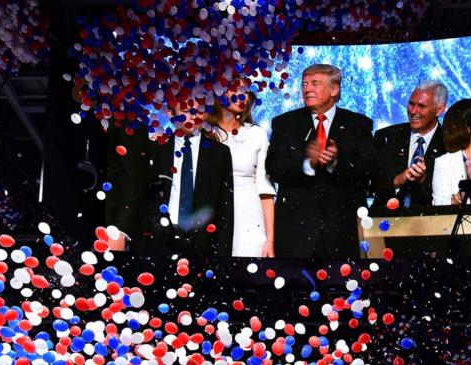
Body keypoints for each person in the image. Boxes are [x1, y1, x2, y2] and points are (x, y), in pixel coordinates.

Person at [265, 63, 377, 259]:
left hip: (343, 230)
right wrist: (307, 162)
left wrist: (335, 162)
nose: (307, 89)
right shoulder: (284, 123)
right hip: (296, 232)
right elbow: (274, 168)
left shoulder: (359, 124)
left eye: (315, 83)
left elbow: (369, 170)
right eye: (304, 84)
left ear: (334, 89)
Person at [110, 101, 235, 257]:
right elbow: (137, 192)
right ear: (171, 113)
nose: (192, 115)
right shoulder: (156, 148)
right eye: (185, 108)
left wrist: (223, 255)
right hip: (156, 239)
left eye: (199, 110)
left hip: (201, 243)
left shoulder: (220, 153)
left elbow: (226, 208)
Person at [204, 88, 276, 258]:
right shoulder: (203, 132)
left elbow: (265, 189)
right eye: (234, 89)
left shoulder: (256, 134)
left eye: (246, 90)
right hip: (210, 214)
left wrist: (270, 240)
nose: (242, 95)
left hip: (249, 217)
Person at [372, 81, 449, 209]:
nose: (413, 111)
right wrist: (397, 181)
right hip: (386, 221)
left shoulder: (449, 144)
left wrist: (423, 181)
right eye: (411, 104)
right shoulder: (386, 136)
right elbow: (371, 185)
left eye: (421, 106)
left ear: (439, 110)